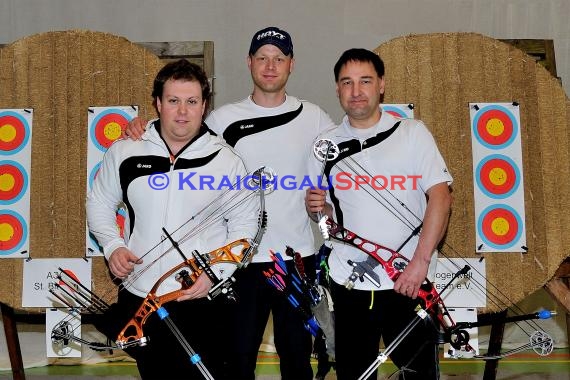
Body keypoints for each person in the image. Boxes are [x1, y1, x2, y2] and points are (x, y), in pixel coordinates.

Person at [124, 27, 335, 380]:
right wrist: (142, 127)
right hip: (238, 264)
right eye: (262, 58)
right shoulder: (222, 120)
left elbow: (345, 152)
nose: (270, 66)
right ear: (249, 63)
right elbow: (178, 129)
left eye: (279, 59)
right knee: (236, 364)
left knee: (298, 362)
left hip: (296, 260)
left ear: (291, 65)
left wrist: (325, 197)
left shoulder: (315, 117)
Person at [87, 59, 259, 379]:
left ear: (204, 106)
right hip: (141, 297)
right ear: (158, 103)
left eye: (192, 102)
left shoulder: (226, 161)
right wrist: (112, 246)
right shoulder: (125, 151)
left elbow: (245, 227)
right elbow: (99, 202)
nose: (183, 111)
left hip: (202, 299)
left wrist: (214, 273)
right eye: (173, 101)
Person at [305, 48, 453, 380]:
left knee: (418, 373)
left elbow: (441, 199)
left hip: (408, 282)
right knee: (355, 374)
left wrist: (419, 264)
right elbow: (325, 219)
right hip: (349, 282)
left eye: (365, 81)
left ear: (382, 85)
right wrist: (319, 210)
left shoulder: (413, 134)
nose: (356, 91)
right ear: (337, 89)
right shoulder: (325, 144)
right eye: (347, 82)